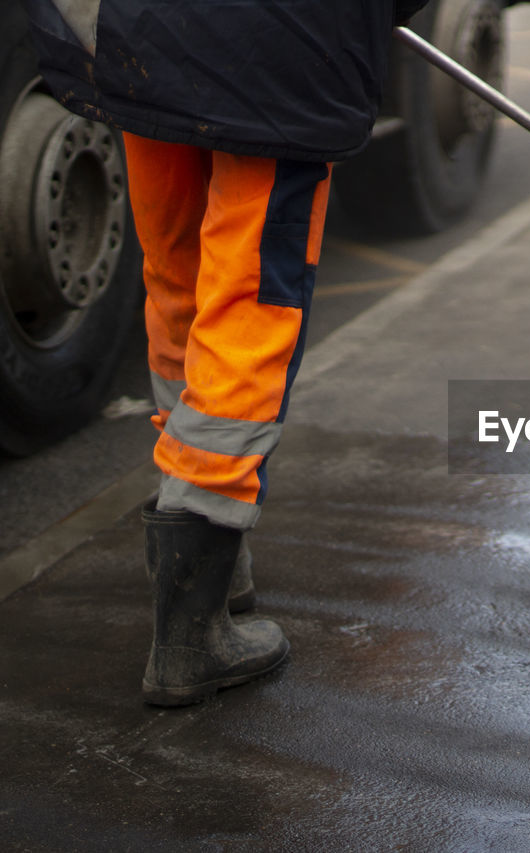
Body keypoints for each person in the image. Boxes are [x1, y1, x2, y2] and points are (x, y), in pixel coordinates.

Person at [24, 0, 430, 706]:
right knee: (248, 301)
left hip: (138, 30)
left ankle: (216, 560)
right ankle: (190, 634)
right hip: (281, 49)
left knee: (178, 279)